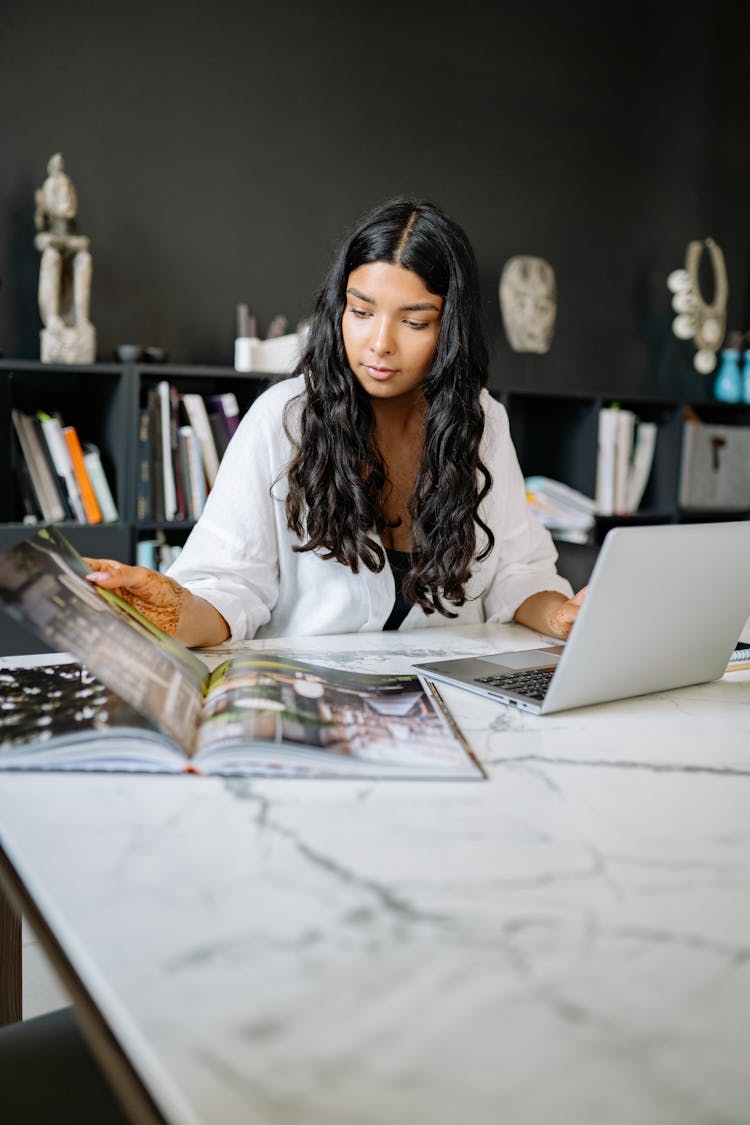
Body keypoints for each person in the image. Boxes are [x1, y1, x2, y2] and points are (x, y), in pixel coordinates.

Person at [85, 197, 585, 647]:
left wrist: (564, 617)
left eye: (414, 322)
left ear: (450, 327)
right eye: (361, 311)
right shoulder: (283, 419)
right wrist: (168, 607)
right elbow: (229, 588)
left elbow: (519, 573)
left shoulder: (482, 420)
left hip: (448, 710)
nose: (380, 343)